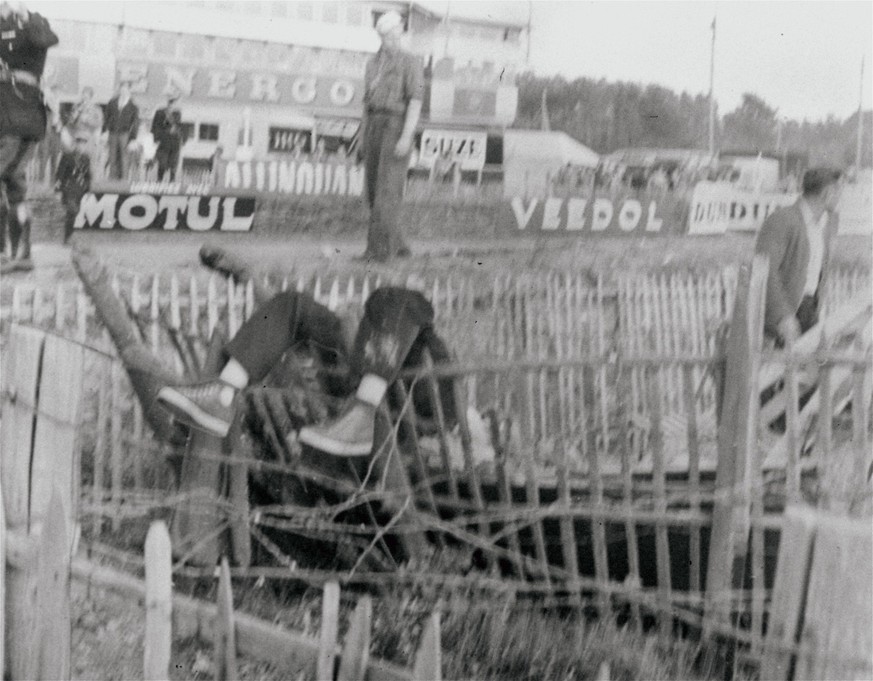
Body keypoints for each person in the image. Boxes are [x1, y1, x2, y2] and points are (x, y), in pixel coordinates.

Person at [156, 281, 458, 458]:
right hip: (364, 380)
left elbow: (442, 414)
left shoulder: (426, 353)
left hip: (400, 415)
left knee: (396, 299)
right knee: (292, 304)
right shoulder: (360, 341)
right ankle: (222, 395)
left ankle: (362, 415)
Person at [359, 10, 424, 261]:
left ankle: (378, 253)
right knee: (374, 192)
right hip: (374, 124)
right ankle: (399, 247)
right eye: (389, 37)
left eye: (398, 35)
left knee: (388, 191)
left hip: (396, 126)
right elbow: (366, 104)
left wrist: (407, 136)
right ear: (382, 36)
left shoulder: (411, 62)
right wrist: (363, 136)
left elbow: (416, 101)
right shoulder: (372, 64)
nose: (394, 41)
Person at [754, 167, 843, 347]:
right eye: (838, 192)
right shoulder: (781, 220)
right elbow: (764, 271)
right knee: (776, 372)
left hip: (810, 312)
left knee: (807, 372)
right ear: (827, 194)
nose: (841, 197)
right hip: (782, 319)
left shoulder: (827, 224)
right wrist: (782, 316)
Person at [0, 1, 58, 274]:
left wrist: (25, 14)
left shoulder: (35, 25)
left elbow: (44, 39)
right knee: (15, 189)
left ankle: (15, 253)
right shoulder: (4, 28)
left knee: (7, 178)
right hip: (4, 116)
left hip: (22, 117)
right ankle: (17, 254)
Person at [55, 128, 91, 244]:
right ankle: (67, 238)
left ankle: (69, 237)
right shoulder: (67, 156)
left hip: (79, 189)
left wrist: (88, 188)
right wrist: (58, 190)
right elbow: (59, 174)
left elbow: (88, 175)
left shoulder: (86, 158)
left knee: (74, 214)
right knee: (72, 211)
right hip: (68, 188)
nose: (81, 146)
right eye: (79, 143)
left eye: (83, 143)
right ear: (75, 144)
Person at [103, 80, 139, 181]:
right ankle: (112, 180)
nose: (123, 90)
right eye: (122, 88)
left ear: (129, 90)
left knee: (124, 158)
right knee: (112, 157)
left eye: (126, 88)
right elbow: (106, 118)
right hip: (112, 133)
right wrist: (104, 131)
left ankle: (124, 181)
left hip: (125, 134)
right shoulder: (112, 102)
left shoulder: (133, 106)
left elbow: (135, 123)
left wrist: (133, 138)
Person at [151, 91, 184, 182]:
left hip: (175, 142)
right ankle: (159, 180)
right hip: (164, 141)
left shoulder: (178, 114)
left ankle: (172, 182)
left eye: (175, 102)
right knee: (162, 163)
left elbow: (181, 128)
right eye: (172, 101)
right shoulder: (160, 112)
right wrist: (156, 139)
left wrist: (182, 140)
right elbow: (154, 126)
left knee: (173, 164)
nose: (173, 104)